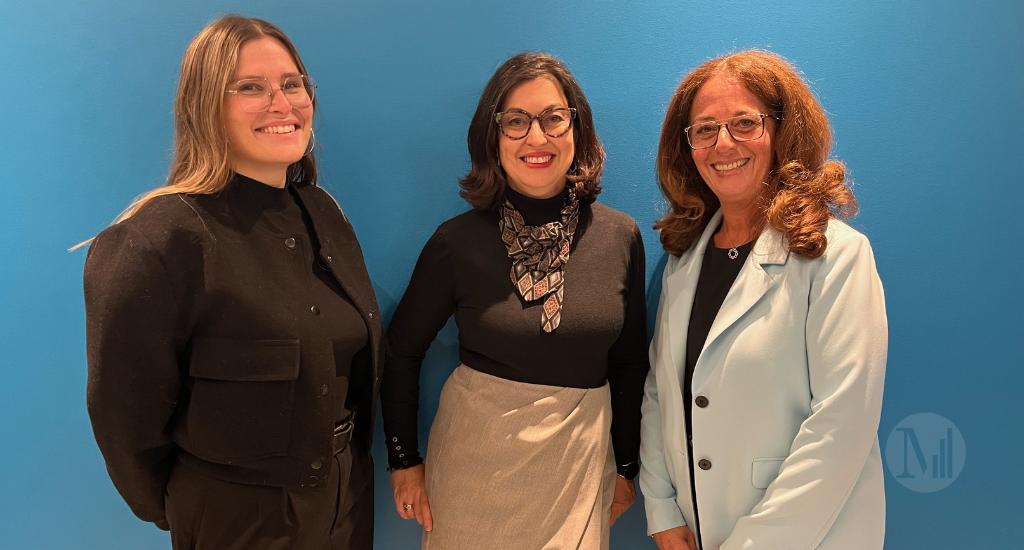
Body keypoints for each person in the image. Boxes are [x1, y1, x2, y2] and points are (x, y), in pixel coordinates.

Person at [83, 15, 382, 550]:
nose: (282, 103)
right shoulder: (158, 240)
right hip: (239, 520)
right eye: (250, 87)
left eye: (293, 84)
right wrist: (190, 509)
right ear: (205, 105)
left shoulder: (324, 212)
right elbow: (126, 421)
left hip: (346, 502)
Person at [379, 52, 649, 549]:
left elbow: (630, 364)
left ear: (577, 128)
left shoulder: (620, 237)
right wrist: (403, 461)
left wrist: (627, 466)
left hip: (580, 471)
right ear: (492, 136)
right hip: (470, 476)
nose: (537, 138)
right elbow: (399, 352)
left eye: (554, 118)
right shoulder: (455, 242)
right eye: (517, 122)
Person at [639, 50, 887, 550]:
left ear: (782, 131)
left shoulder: (836, 255)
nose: (722, 143)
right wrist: (662, 509)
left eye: (744, 123)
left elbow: (842, 426)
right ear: (686, 147)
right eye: (704, 129)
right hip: (694, 532)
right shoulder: (683, 263)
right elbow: (660, 393)